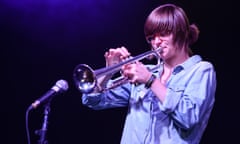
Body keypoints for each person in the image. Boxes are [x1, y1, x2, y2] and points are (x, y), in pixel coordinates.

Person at [80, 3, 216, 144]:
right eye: (151, 37)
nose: (156, 42)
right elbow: (93, 100)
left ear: (181, 33)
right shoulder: (146, 71)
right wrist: (110, 70)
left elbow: (188, 118)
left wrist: (151, 81)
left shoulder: (201, 70)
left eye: (163, 34)